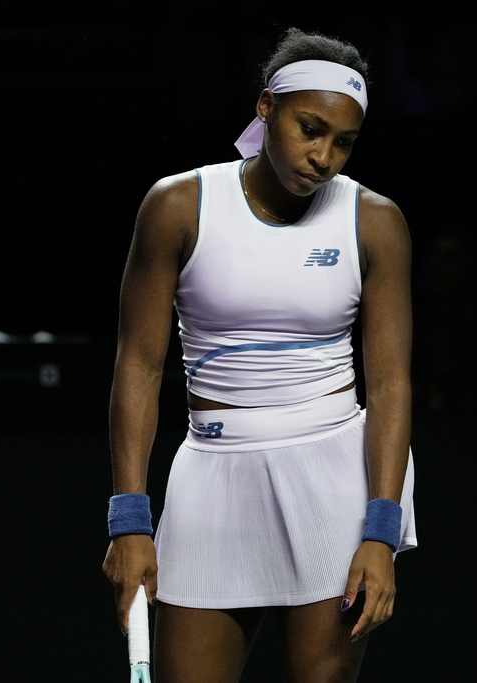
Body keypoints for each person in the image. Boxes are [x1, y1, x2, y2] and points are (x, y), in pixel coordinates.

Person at [102, 27, 416, 682]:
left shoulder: (375, 220)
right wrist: (128, 518)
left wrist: (381, 531)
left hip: (333, 483)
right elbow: (138, 363)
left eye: (343, 142)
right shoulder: (177, 206)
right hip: (211, 475)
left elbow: (390, 384)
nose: (324, 155)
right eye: (310, 128)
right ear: (266, 107)